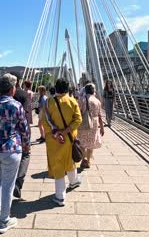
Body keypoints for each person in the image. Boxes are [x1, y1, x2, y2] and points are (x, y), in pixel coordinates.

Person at [0, 73, 30, 234]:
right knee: (8, 184)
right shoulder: (16, 105)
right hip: (11, 149)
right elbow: (24, 129)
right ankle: (4, 221)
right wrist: (27, 146)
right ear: (12, 89)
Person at [42, 78, 82, 206]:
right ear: (67, 88)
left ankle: (60, 196)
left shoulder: (49, 102)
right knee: (69, 160)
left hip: (54, 140)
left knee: (58, 165)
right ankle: (73, 180)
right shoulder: (72, 101)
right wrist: (65, 131)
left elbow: (45, 121)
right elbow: (78, 120)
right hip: (69, 138)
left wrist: (56, 133)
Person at [78, 83, 104, 169]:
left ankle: (84, 158)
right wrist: (102, 127)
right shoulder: (97, 101)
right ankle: (88, 161)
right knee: (91, 142)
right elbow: (100, 115)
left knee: (82, 141)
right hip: (94, 123)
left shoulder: (82, 100)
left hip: (84, 122)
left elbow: (79, 112)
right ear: (93, 91)